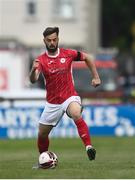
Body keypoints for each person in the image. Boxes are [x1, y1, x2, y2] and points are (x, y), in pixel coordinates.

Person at [30, 27, 101, 167]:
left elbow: (88, 58)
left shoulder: (68, 54)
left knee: (75, 112)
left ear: (58, 40)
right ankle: (43, 160)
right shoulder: (40, 60)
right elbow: (33, 79)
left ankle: (89, 147)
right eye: (49, 40)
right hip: (52, 103)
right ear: (44, 41)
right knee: (42, 134)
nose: (52, 42)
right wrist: (33, 69)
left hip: (69, 97)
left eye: (54, 39)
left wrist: (96, 77)